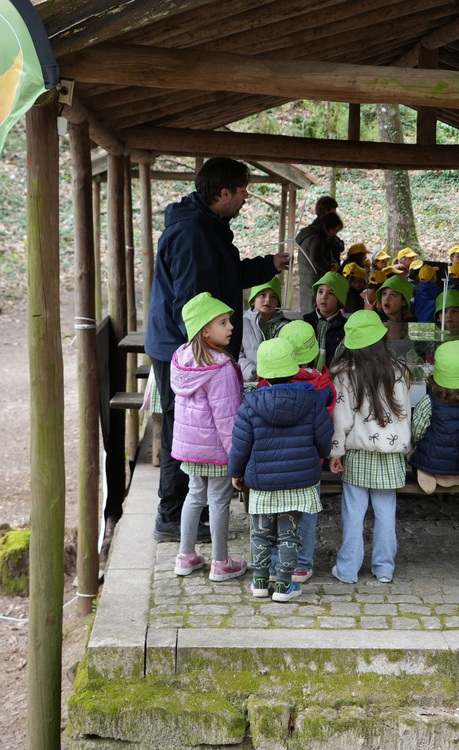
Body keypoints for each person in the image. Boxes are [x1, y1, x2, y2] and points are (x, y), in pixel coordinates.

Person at [147, 156, 289, 542]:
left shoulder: (210, 226)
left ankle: (192, 506)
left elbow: (226, 276)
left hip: (199, 346)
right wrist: (208, 354)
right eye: (242, 189)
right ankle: (172, 516)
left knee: (198, 426)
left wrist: (267, 266)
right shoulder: (192, 234)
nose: (246, 196)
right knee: (184, 428)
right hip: (186, 349)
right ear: (222, 193)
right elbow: (191, 306)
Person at [229, 339, 334, 602]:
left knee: (261, 533)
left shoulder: (250, 404)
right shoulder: (310, 401)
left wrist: (236, 472)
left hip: (263, 482)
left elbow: (241, 445)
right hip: (299, 482)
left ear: (262, 373)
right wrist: (318, 455)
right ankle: (285, 586)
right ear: (294, 368)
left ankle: (260, 582)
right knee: (290, 535)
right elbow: (324, 440)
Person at [329, 311, 412, 584]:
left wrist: (336, 452)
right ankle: (384, 568)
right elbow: (405, 417)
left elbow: (341, 418)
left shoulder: (345, 374)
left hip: (358, 452)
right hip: (391, 456)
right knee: (386, 513)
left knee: (353, 512)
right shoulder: (399, 370)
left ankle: (348, 569)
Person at [169, 293, 247, 582]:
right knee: (219, 501)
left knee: (193, 495)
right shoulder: (220, 367)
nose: (231, 327)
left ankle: (185, 556)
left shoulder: (182, 359)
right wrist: (237, 459)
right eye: (223, 322)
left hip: (190, 448)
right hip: (216, 449)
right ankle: (220, 562)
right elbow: (228, 419)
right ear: (205, 330)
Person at [409, 341, 459, 494]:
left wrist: (417, 445)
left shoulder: (429, 401)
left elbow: (417, 431)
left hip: (434, 457)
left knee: (416, 453)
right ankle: (458, 473)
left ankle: (427, 470)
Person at [238, 278, 288, 389]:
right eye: (262, 295)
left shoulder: (284, 327)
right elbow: (236, 354)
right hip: (248, 384)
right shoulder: (241, 324)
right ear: (252, 300)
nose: (267, 300)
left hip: (277, 385)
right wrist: (254, 372)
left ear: (278, 303)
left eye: (273, 297)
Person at [296, 211, 344, 312]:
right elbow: (315, 257)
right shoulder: (318, 237)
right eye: (333, 230)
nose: (334, 233)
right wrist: (330, 269)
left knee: (307, 304)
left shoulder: (309, 235)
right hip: (315, 276)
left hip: (307, 275)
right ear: (327, 226)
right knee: (315, 305)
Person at [304, 271, 349, 370]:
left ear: (340, 300)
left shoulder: (346, 327)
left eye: (331, 293)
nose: (324, 296)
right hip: (308, 380)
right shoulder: (306, 322)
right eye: (320, 291)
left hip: (334, 379)